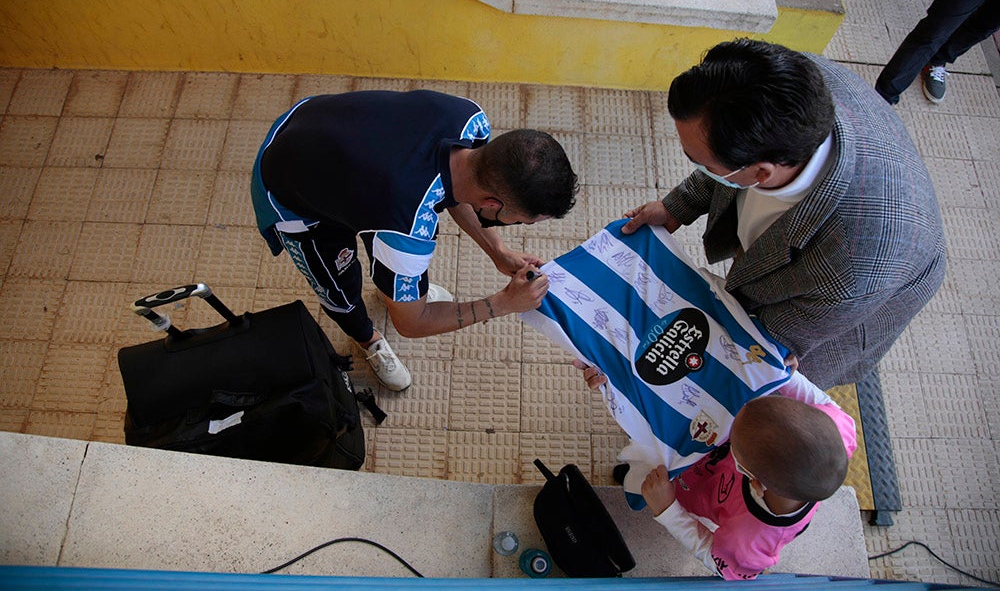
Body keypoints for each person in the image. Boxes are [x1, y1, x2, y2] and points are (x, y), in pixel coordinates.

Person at [622, 38, 946, 389]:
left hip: (857, 296)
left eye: (698, 161)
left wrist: (634, 355)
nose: (696, 166)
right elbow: (721, 167)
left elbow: (759, 334)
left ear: (762, 173)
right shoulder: (788, 84)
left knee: (762, 385)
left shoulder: (852, 264)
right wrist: (675, 206)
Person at [251, 90, 578, 391]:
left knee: (387, 248)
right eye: (521, 220)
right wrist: (504, 303)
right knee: (338, 287)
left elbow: (462, 190)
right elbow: (412, 322)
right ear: (493, 205)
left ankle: (390, 287)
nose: (518, 224)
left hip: (321, 124)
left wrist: (498, 251)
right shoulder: (405, 228)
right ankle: (368, 339)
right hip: (290, 182)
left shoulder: (469, 119)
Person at [579, 363, 857, 581]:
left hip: (692, 484)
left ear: (755, 483)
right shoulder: (838, 429)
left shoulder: (750, 542)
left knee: (648, 472)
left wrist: (668, 509)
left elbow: (717, 560)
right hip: (696, 440)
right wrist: (785, 374)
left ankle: (636, 470)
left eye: (735, 441)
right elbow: (819, 399)